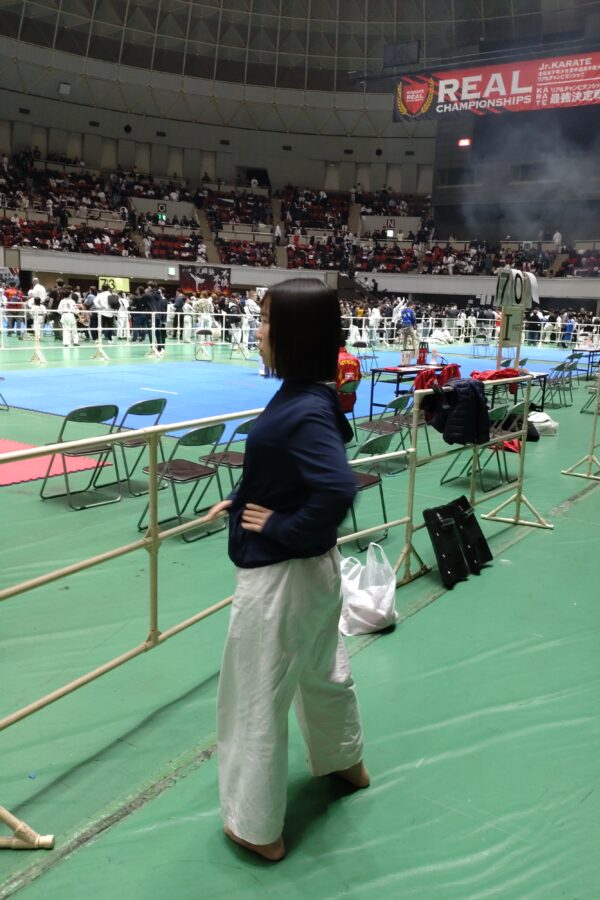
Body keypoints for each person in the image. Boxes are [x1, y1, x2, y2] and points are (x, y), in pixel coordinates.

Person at [207, 279, 368, 862]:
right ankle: (346, 763)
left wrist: (280, 526)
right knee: (323, 674)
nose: (258, 331)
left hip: (280, 581)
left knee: (254, 698)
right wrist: (246, 498)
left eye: (268, 321)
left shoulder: (303, 410)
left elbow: (336, 488)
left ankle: (255, 829)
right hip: (313, 575)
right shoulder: (310, 397)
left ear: (295, 334)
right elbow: (295, 473)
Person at [335, 336, 362, 414]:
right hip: (351, 400)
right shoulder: (355, 359)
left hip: (335, 401)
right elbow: (358, 378)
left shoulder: (335, 359)